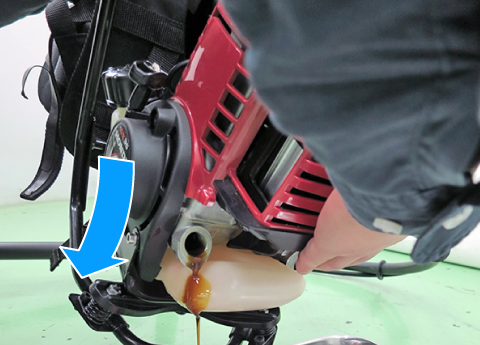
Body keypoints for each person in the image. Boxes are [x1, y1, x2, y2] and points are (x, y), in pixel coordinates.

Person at [4, 0, 480, 274]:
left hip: (183, 142)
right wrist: (384, 208)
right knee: (129, 154)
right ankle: (103, 250)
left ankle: (107, 248)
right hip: (155, 133)